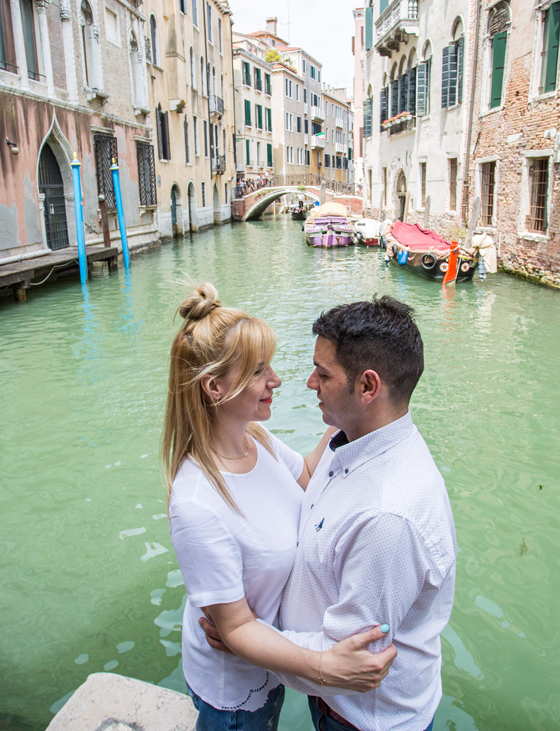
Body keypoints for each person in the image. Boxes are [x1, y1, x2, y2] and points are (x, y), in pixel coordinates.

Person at [201, 296, 456, 731]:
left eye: (323, 374)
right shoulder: (353, 439)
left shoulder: (387, 518)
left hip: (362, 720)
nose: (307, 383)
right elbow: (302, 477)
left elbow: (347, 664)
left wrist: (244, 637)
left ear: (368, 387)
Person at [163, 284, 396, 731]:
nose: (277, 380)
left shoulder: (256, 438)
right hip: (235, 691)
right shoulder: (196, 505)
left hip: (273, 659)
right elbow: (234, 630)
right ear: (215, 387)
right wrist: (326, 666)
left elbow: (307, 479)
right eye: (257, 371)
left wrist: (356, 417)